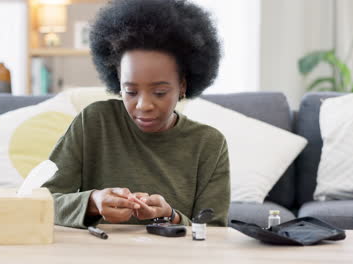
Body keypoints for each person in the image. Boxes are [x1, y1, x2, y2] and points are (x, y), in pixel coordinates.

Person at [43, 0, 230, 228]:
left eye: (159, 92)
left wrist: (172, 216)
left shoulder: (209, 144)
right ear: (117, 81)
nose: (143, 105)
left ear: (182, 85)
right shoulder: (94, 122)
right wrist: (92, 201)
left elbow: (215, 230)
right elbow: (38, 202)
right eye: (130, 91)